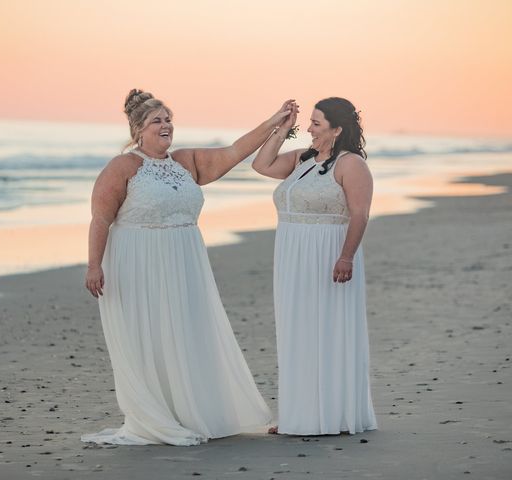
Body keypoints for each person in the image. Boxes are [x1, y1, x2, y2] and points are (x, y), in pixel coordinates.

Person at [81, 89, 292, 446]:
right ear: (138, 131)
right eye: (156, 121)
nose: (166, 126)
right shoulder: (123, 167)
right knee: (151, 336)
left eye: (168, 120)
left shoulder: (185, 162)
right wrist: (93, 265)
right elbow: (101, 218)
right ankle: (159, 416)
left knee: (186, 332)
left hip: (185, 261)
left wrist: (274, 122)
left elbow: (235, 151)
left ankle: (192, 411)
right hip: (138, 262)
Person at [252, 97, 377, 435]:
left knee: (325, 330)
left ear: (337, 129)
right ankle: (299, 413)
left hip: (328, 254)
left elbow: (360, 214)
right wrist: (282, 127)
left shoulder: (351, 165)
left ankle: (330, 413)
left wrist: (346, 256)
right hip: (292, 255)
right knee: (297, 331)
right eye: (308, 122)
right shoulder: (301, 159)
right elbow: (261, 165)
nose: (308, 128)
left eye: (316, 123)